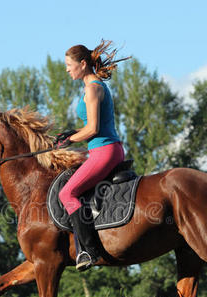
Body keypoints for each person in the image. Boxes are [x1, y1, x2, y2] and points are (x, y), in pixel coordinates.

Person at [55, 40, 130, 271]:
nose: (67, 69)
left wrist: (70, 139)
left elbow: (94, 129)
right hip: (102, 150)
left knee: (67, 193)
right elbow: (89, 127)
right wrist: (72, 133)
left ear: (83, 63)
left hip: (104, 151)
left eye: (69, 65)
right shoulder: (91, 87)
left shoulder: (93, 88)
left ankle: (88, 251)